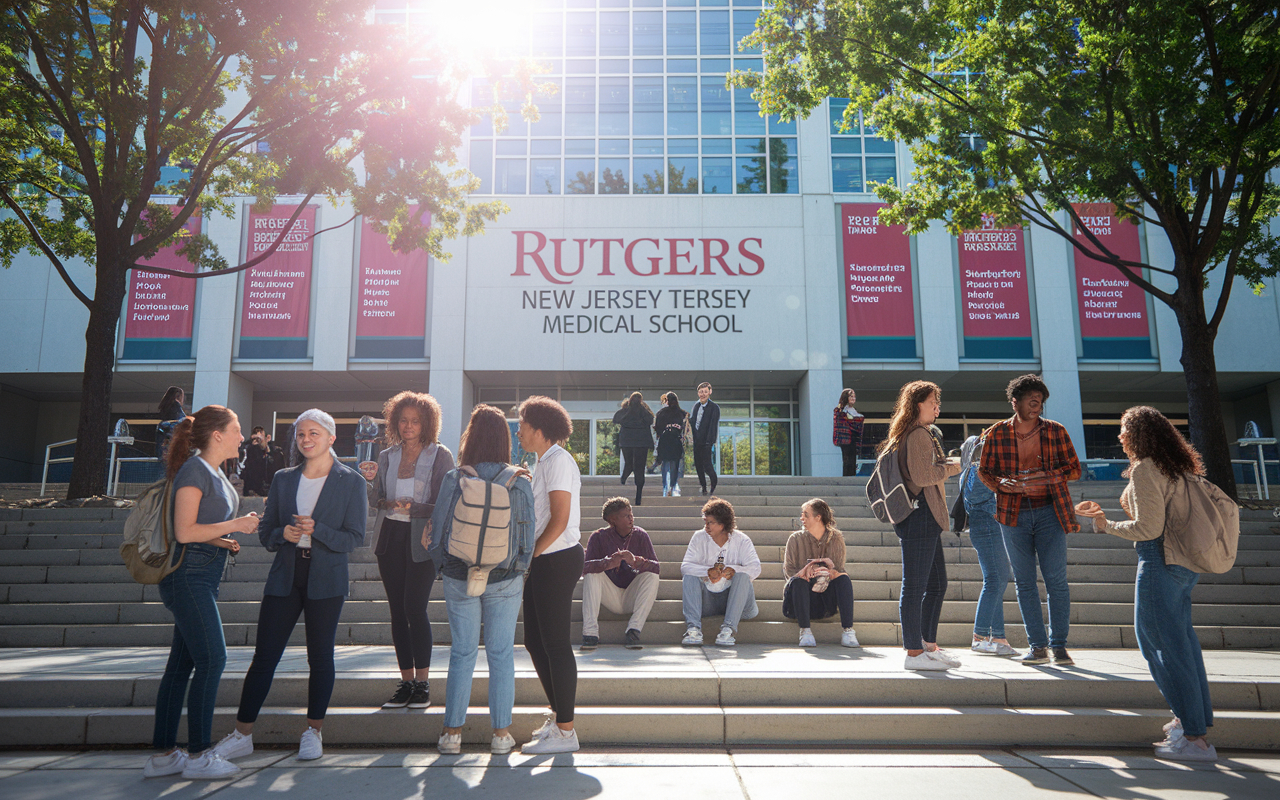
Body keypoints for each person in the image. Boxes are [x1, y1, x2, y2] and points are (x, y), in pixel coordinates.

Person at [210, 409, 368, 763]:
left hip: (326, 579)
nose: (306, 439)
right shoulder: (283, 478)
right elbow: (266, 533)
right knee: (264, 656)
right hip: (286, 575)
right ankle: (242, 734)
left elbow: (355, 538)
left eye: (314, 433)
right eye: (300, 434)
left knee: (321, 657)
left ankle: (313, 731)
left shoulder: (352, 481)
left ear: (331, 437)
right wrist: (284, 533)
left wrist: (317, 531)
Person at [1076, 406, 1218, 762]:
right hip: (1184, 563)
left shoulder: (1144, 468)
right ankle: (1191, 722)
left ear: (1139, 435)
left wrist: (1105, 524)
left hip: (1159, 560)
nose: (1120, 436)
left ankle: (1195, 738)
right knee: (1182, 644)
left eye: (1124, 430)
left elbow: (1149, 529)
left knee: (1159, 645)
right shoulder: (1176, 466)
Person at [143, 405, 258, 780]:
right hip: (188, 576)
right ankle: (198, 756)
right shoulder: (195, 469)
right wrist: (238, 525)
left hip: (202, 573)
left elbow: (202, 528)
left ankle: (163, 757)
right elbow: (184, 531)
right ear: (218, 435)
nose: (243, 437)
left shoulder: (213, 472)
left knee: (180, 666)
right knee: (213, 659)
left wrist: (226, 541)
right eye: (238, 430)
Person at [428, 404, 535, 756]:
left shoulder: (455, 477)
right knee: (501, 653)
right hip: (504, 577)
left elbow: (440, 529)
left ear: (470, 437)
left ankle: (451, 734)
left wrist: (444, 565)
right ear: (505, 438)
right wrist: (517, 570)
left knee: (462, 652)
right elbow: (527, 535)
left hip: (460, 575)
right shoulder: (518, 479)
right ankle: (502, 735)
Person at [978, 374, 1082, 667]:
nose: (1037, 404)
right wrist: (1001, 484)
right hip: (1013, 515)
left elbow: (1074, 469)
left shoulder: (1056, 431)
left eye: (1040, 401)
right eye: (1031, 400)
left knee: (1056, 582)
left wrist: (1048, 476)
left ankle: (1059, 647)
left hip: (1051, 512)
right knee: (1024, 583)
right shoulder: (997, 433)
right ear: (1015, 402)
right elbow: (984, 471)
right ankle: (1038, 647)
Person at [359, 392, 454, 710]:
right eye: (403, 420)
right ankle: (406, 682)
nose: (408, 426)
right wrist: (369, 481)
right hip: (389, 538)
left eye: (415, 421)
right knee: (397, 613)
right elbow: (376, 501)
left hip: (422, 539)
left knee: (415, 608)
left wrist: (415, 509)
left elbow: (445, 502)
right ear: (394, 422)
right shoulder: (385, 456)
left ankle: (423, 684)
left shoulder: (440, 455)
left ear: (427, 423)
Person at [515, 396, 584, 755]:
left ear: (539, 430)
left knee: (555, 644)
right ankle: (559, 716)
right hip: (545, 558)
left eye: (523, 425)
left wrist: (530, 557)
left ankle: (566, 731)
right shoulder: (542, 461)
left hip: (556, 558)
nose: (519, 430)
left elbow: (559, 521)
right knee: (534, 641)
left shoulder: (558, 462)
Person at [881, 380, 963, 672]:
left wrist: (948, 463)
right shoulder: (917, 434)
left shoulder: (918, 433)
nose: (938, 408)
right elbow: (924, 475)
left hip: (926, 518)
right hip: (920, 517)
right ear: (918, 405)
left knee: (938, 585)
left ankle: (929, 646)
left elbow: (927, 471)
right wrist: (959, 465)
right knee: (915, 587)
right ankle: (914, 653)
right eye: (933, 403)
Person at [959, 436, 1018, 656]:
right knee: (996, 580)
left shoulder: (975, 471)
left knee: (997, 581)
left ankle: (999, 637)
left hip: (988, 528)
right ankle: (980, 636)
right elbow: (977, 499)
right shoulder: (975, 471)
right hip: (986, 528)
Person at [580, 497, 661, 651]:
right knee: (592, 574)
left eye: (631, 514)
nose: (631, 518)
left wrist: (635, 561)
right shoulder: (598, 536)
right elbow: (585, 568)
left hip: (632, 595)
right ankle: (590, 634)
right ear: (613, 520)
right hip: (609, 594)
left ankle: (633, 631)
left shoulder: (641, 535)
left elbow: (656, 567)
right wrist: (608, 563)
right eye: (626, 515)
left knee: (651, 575)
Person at [680, 497, 761, 647]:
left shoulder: (742, 540)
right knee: (689, 577)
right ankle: (693, 630)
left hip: (740, 603)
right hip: (708, 601)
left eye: (710, 522)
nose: (706, 526)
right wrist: (708, 571)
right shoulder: (699, 537)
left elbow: (755, 568)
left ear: (722, 525)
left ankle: (728, 630)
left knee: (743, 576)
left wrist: (734, 570)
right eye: (705, 522)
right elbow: (685, 566)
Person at [783, 499, 859, 648]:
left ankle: (848, 631)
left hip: (825, 599)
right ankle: (805, 631)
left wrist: (828, 572)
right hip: (799, 599)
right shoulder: (795, 539)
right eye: (802, 514)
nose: (801, 518)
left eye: (806, 515)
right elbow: (789, 570)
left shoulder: (835, 538)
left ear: (818, 517)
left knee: (844, 579)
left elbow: (839, 568)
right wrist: (806, 571)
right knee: (798, 581)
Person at [613, 392, 655, 505]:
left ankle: (623, 478)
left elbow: (616, 419)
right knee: (639, 468)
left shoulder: (625, 412)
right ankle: (638, 497)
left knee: (629, 464)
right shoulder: (643, 412)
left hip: (627, 442)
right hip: (641, 443)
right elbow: (650, 419)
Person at [654, 392, 690, 497]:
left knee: (665, 464)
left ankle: (666, 486)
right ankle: (673, 485)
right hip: (676, 440)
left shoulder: (661, 413)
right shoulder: (682, 413)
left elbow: (658, 428)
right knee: (675, 465)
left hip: (665, 439)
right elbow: (684, 429)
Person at [690, 382, 720, 495]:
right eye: (701, 392)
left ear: (710, 392)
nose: (703, 394)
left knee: (707, 465)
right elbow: (693, 422)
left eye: (705, 392)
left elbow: (713, 425)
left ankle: (713, 485)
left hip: (707, 442)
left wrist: (710, 442)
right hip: (697, 441)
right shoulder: (696, 406)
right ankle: (703, 486)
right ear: (698, 393)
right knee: (698, 465)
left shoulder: (714, 407)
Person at [240, 426, 286, 497]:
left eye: (258, 439)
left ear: (268, 438)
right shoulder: (251, 453)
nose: (256, 442)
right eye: (254, 439)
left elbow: (280, 475)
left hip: (272, 492)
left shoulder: (277, 454)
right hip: (255, 494)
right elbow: (248, 475)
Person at [833, 388, 865, 477]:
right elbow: (844, 421)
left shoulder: (853, 410)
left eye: (854, 396)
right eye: (851, 396)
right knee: (847, 459)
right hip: (846, 438)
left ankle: (852, 475)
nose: (853, 398)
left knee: (852, 458)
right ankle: (847, 477)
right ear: (846, 397)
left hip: (853, 438)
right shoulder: (840, 410)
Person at [155, 386, 188, 463]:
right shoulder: (176, 407)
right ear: (178, 397)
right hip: (172, 446)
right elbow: (182, 422)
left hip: (162, 445)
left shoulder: (165, 407)